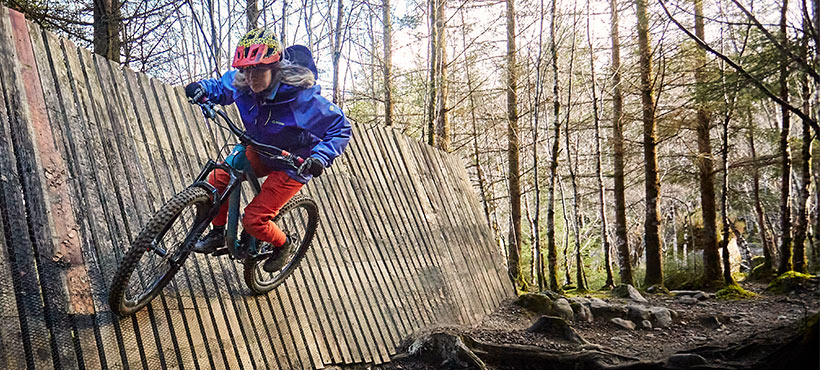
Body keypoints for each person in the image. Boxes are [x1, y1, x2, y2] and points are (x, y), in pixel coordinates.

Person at [184, 28, 351, 272]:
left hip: (294, 163)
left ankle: (284, 245)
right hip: (261, 149)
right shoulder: (243, 83)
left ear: (275, 67)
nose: (251, 77)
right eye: (246, 70)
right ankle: (218, 233)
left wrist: (320, 158)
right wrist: (202, 88)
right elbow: (220, 87)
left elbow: (340, 127)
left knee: (254, 220)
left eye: (258, 70)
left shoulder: (302, 98)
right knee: (218, 179)